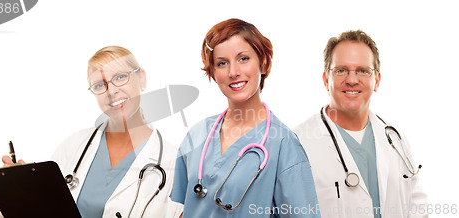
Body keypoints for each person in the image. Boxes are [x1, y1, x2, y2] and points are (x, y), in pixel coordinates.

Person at [0, 46, 183, 218]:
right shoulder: (73, 146)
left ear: (141, 78)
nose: (111, 91)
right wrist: (18, 188)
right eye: (99, 85)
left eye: (120, 77)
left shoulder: (174, 163)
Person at [170, 18, 319, 217]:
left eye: (243, 59)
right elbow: (188, 209)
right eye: (222, 63)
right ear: (213, 74)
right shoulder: (196, 136)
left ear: (263, 64)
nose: (233, 72)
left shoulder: (283, 144)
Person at [293, 30, 428, 217]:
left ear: (377, 81)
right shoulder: (298, 143)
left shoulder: (395, 139)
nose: (352, 80)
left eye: (362, 71)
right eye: (341, 70)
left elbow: (418, 207)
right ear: (326, 80)